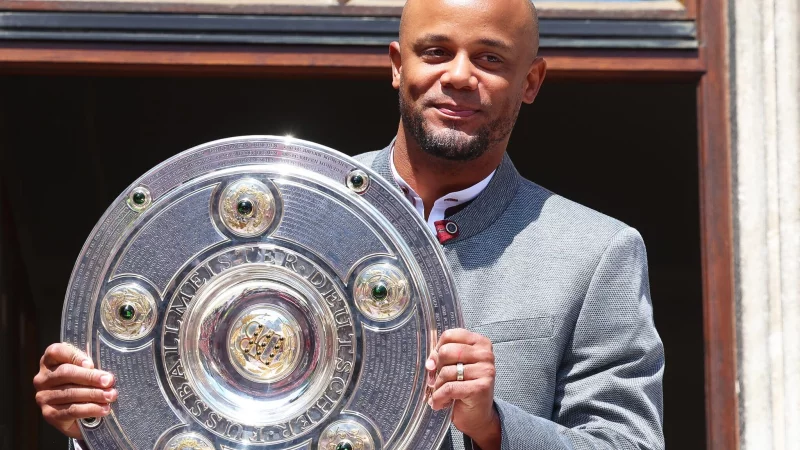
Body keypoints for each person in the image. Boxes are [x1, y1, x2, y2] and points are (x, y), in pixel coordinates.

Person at [33, 0, 665, 448]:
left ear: (531, 81)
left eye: (491, 59)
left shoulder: (597, 251)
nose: (459, 76)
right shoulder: (283, 206)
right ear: (397, 64)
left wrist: (496, 425)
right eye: (435, 52)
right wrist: (95, 416)